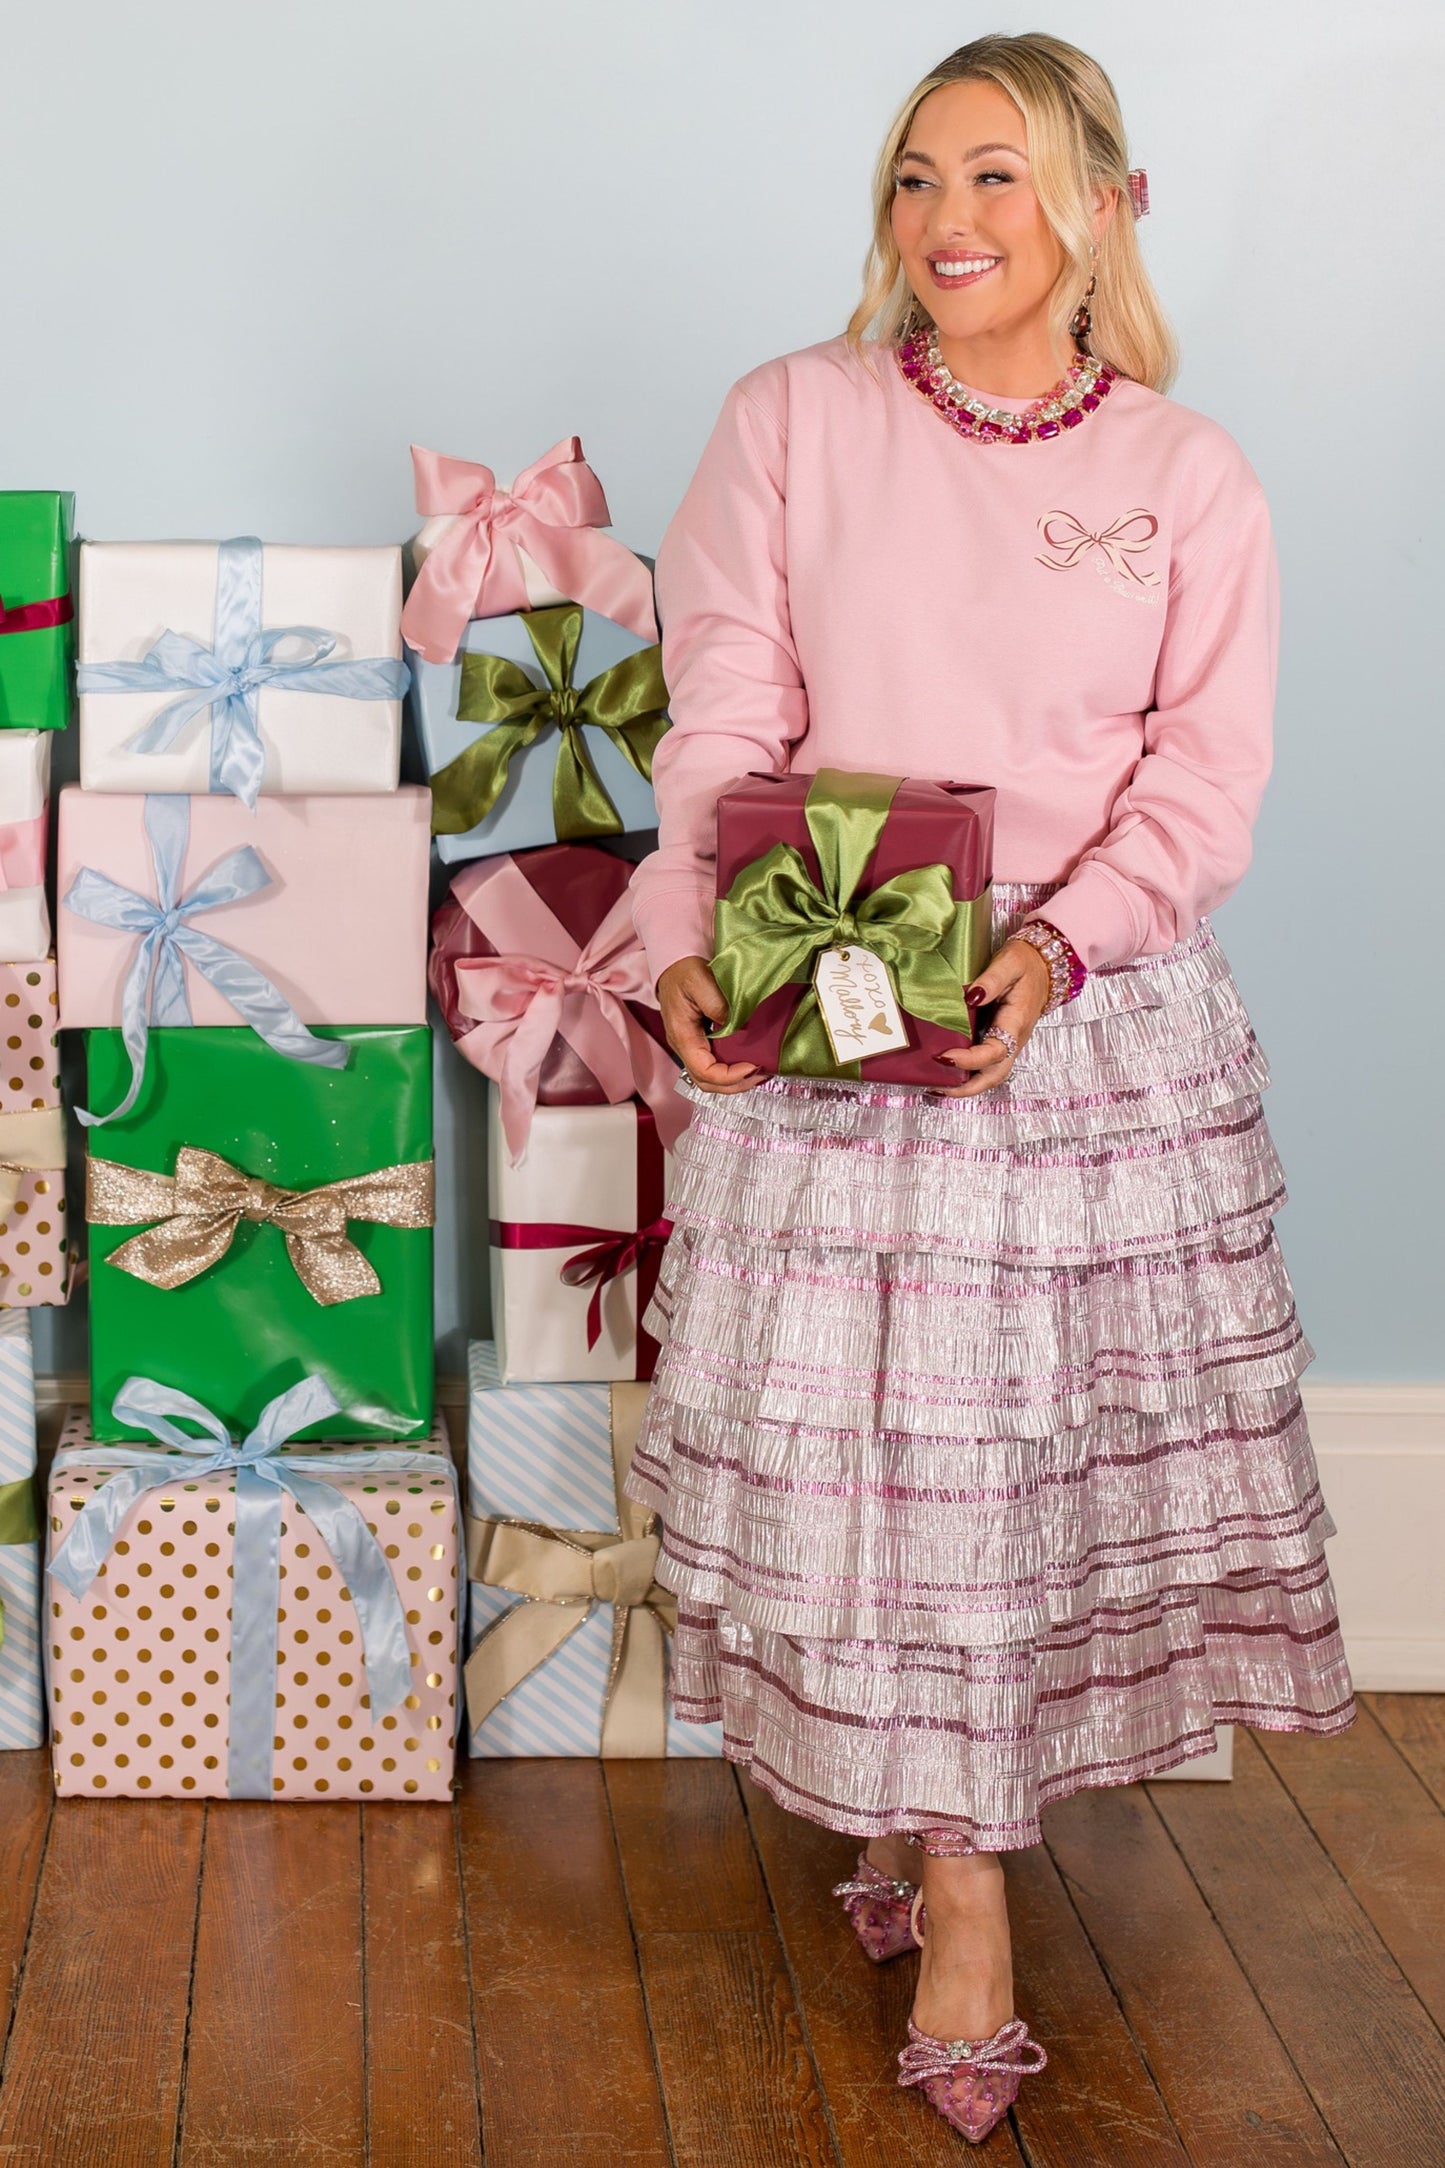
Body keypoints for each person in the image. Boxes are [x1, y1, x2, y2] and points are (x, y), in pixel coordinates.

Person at [627, 31, 1355, 2146]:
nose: (949, 225)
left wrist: (1052, 946)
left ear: (1103, 211)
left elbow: (1201, 783)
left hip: (1071, 1017)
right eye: (918, 180)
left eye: (1001, 182)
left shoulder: (1187, 476)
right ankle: (944, 1872)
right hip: (827, 985)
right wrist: (693, 938)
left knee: (996, 1481)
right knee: (866, 1462)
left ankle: (946, 1868)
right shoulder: (792, 421)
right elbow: (723, 704)